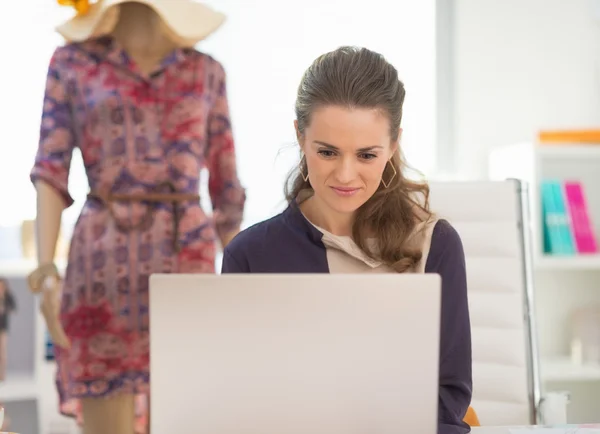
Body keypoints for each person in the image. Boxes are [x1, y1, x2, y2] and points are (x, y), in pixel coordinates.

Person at [221, 46, 472, 433]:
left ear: (393, 145)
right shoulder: (249, 255)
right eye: (327, 152)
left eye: (367, 155)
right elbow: (236, 401)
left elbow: (447, 398)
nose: (345, 175)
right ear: (300, 137)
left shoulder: (434, 244)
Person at [28, 1, 245, 432]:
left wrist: (245, 286)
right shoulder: (71, 63)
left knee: (187, 410)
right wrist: (45, 268)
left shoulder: (206, 72)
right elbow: (50, 170)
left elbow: (225, 187)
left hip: (187, 263)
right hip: (102, 264)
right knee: (106, 412)